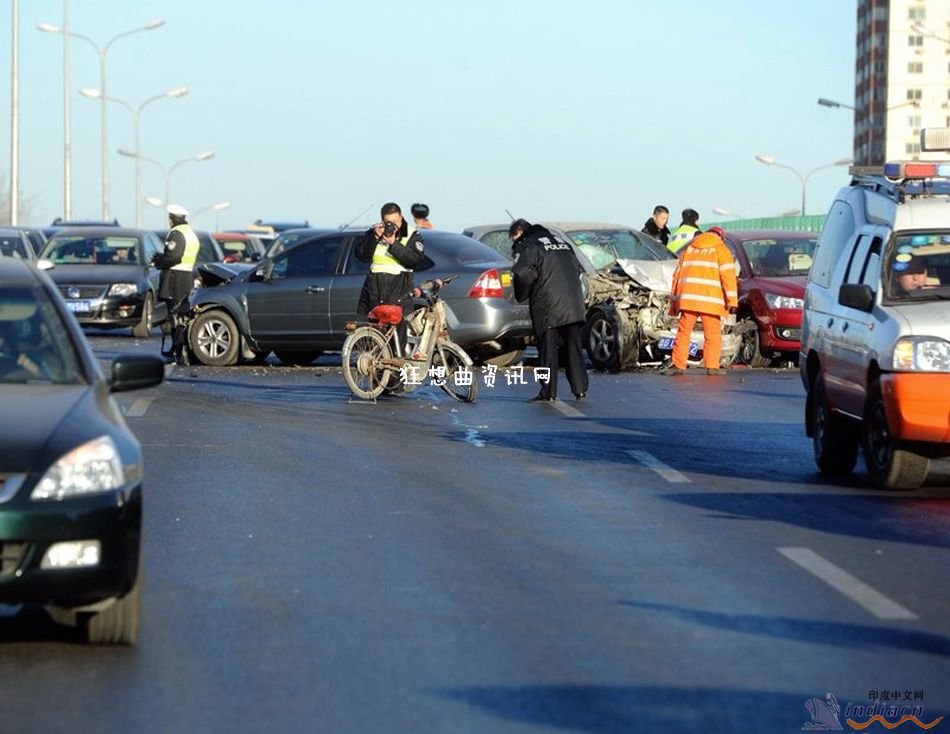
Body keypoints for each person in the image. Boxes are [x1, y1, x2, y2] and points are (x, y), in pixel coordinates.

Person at [510, 218, 589, 401]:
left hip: (548, 305)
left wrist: (522, 294)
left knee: (547, 350)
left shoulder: (530, 246)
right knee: (574, 348)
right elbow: (578, 269)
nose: (515, 244)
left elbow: (522, 273)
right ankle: (580, 389)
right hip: (574, 305)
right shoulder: (562, 243)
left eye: (514, 239)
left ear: (519, 233)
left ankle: (548, 391)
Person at [664, 226, 738, 375]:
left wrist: (675, 302)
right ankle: (711, 366)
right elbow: (728, 277)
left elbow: (677, 276)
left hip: (688, 299)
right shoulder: (721, 250)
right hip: (710, 301)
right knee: (712, 335)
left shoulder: (690, 249)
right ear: (721, 237)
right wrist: (732, 301)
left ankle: (678, 365)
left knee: (683, 332)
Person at [355, 202, 425, 354]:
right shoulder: (375, 232)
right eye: (388, 223)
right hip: (375, 288)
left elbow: (413, 259)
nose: (392, 226)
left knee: (397, 339)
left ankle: (396, 374)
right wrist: (374, 237)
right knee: (375, 336)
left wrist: (393, 243)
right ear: (382, 220)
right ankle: (379, 375)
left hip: (398, 289)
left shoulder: (412, 235)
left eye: (395, 222)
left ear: (401, 218)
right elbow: (361, 255)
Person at [152, 204, 200, 365]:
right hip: (186, 277)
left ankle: (176, 351)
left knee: (175, 316)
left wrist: (159, 261)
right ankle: (178, 350)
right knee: (181, 314)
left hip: (175, 278)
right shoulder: (190, 233)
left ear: (172, 218)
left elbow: (174, 257)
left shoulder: (176, 233)